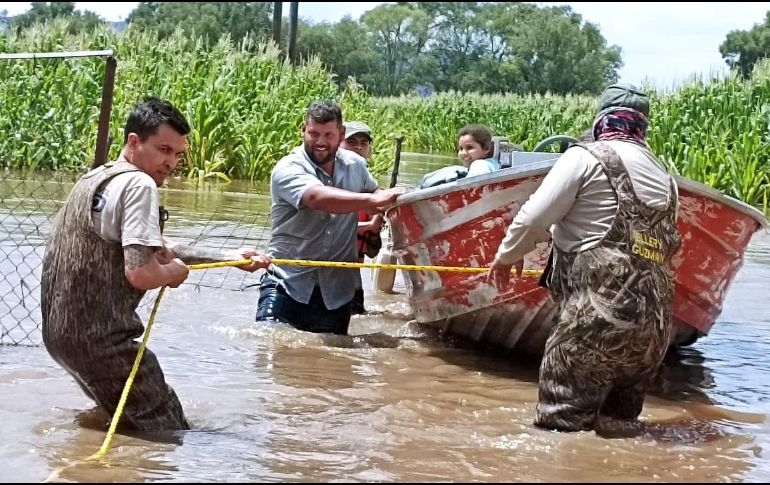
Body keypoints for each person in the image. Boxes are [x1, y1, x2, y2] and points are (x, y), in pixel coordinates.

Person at [41, 98, 270, 433]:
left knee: (118, 426)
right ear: (134, 142)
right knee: (170, 432)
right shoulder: (139, 184)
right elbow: (142, 272)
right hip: (104, 343)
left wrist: (230, 258)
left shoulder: (96, 178)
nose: (171, 162)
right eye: (164, 150)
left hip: (61, 338)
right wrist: (174, 274)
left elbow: (157, 249)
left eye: (178, 154)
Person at [488, 83, 681, 434]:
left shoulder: (585, 156)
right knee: (619, 432)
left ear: (600, 120)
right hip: (653, 336)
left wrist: (506, 256)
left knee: (559, 434)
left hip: (594, 329)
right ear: (643, 125)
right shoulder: (666, 176)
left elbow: (534, 217)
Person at [256, 100, 402, 335]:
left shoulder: (356, 165)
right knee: (271, 350)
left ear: (340, 133)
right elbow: (317, 198)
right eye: (313, 133)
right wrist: (373, 202)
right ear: (303, 130)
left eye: (328, 135)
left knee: (332, 365)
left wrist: (393, 200)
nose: (320, 142)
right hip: (287, 282)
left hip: (336, 293)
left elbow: (375, 192)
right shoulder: (288, 168)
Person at [341, 120, 383, 315]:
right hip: (324, 273)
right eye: (352, 141)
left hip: (353, 278)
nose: (358, 147)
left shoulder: (371, 189)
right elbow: (323, 228)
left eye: (363, 143)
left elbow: (373, 251)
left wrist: (375, 228)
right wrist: (368, 226)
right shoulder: (327, 181)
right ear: (339, 143)